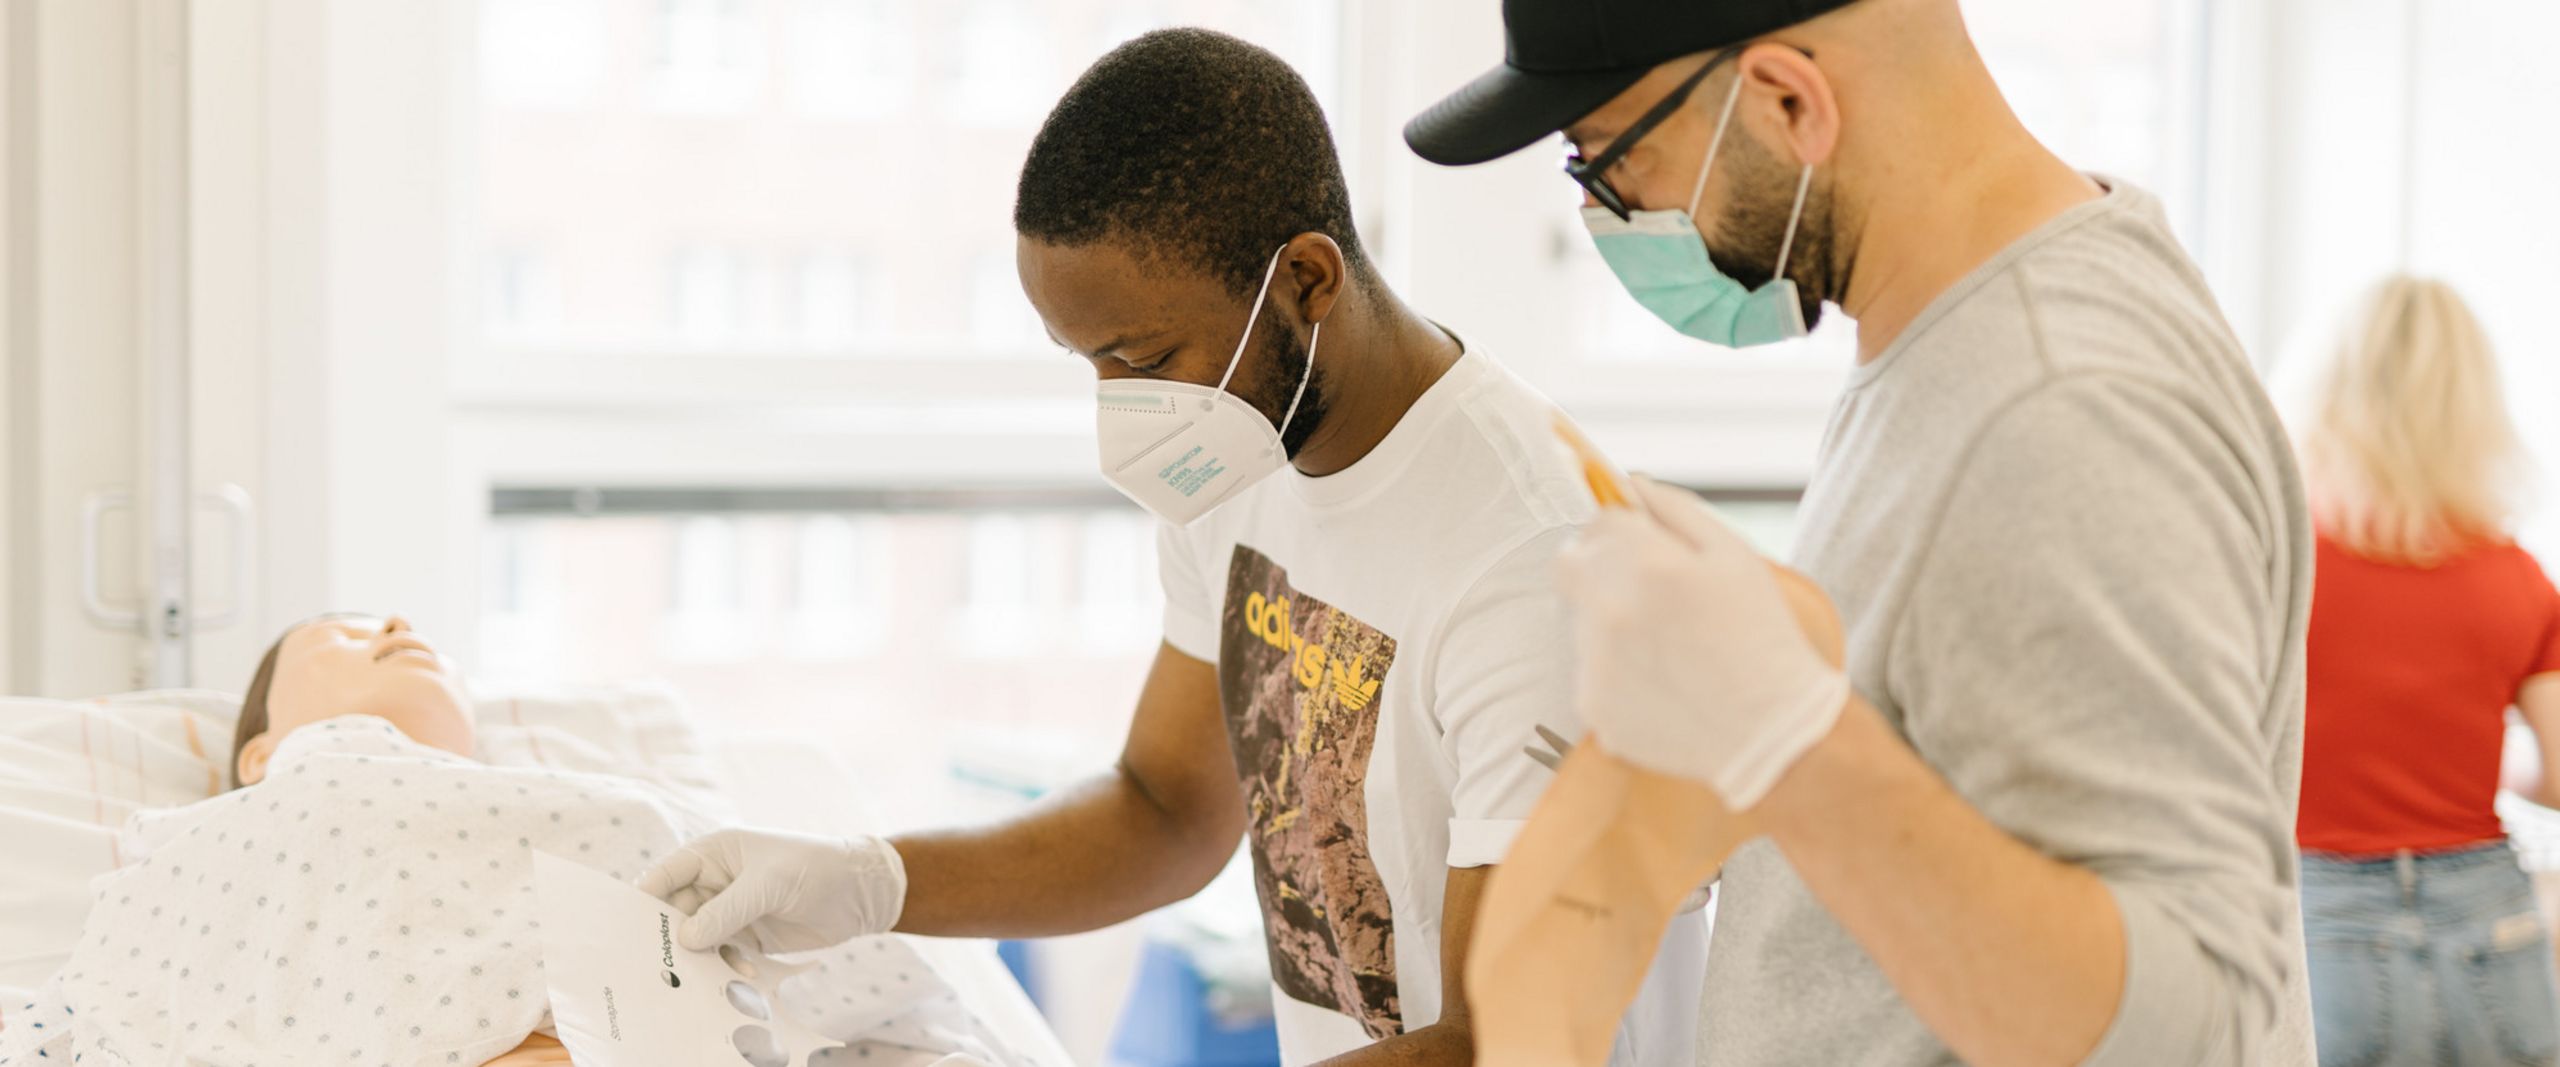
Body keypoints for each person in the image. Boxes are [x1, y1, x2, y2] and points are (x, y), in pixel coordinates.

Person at [638, 28, 1705, 1067]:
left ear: (1307, 281)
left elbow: (1501, 1040)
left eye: (1142, 354)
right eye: (1086, 359)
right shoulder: (1234, 454)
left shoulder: (1534, 558)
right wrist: (868, 880)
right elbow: (1165, 808)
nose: (1123, 404)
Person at [1403, 0, 2313, 1064]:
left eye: (1605, 164)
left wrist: (1782, 736)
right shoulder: (1950, 328)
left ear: (1790, 98)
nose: (1612, 213)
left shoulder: (2055, 403)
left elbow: (2190, 1020)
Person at [2281, 276, 2560, 1066]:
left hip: (2324, 913)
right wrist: (2476, 758)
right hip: (2490, 914)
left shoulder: (2284, 564)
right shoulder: (2518, 577)